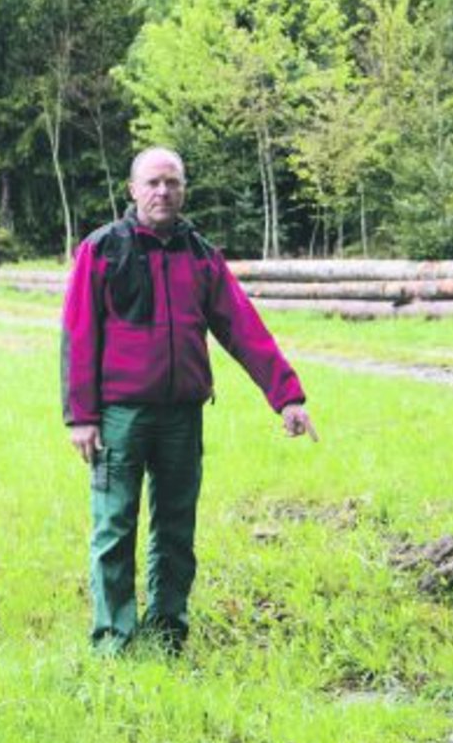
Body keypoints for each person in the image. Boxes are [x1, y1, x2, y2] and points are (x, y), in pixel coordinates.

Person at [60, 146, 317, 655]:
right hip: (120, 417)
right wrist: (80, 417)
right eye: (153, 182)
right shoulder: (102, 249)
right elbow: (78, 333)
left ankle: (167, 633)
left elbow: (243, 327)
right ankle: (113, 641)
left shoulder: (200, 255)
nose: (163, 191)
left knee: (176, 529)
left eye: (172, 182)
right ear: (133, 190)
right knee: (114, 528)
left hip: (182, 417)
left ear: (182, 189)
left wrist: (287, 396)